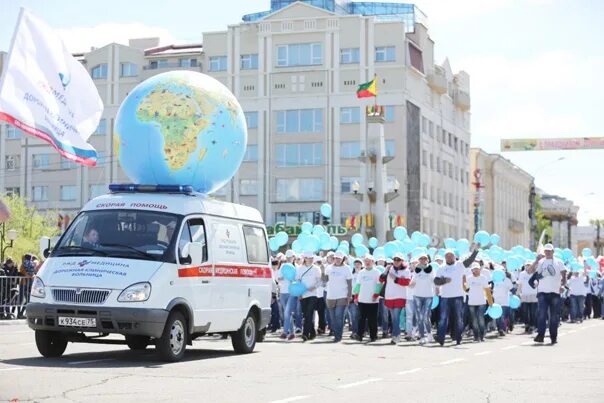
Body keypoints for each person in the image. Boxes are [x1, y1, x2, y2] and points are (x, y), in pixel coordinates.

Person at [434, 245, 479, 346]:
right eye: (447, 256)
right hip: (445, 296)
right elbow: (436, 281)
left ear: (454, 257)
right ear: (445, 257)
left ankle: (458, 338)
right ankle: (441, 338)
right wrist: (444, 280)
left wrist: (475, 251)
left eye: (451, 256)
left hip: (458, 296)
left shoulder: (459, 265)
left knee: (458, 318)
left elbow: (470, 260)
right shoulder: (441, 268)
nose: (449, 258)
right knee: (443, 318)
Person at [529, 243, 567, 344]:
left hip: (555, 293)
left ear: (553, 252)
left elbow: (564, 276)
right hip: (542, 293)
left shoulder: (559, 262)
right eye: (546, 251)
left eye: (549, 251)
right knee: (541, 315)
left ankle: (553, 337)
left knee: (554, 317)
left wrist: (563, 286)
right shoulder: (541, 262)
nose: (547, 252)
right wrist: (536, 261)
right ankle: (541, 336)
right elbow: (532, 272)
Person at [380, 252, 411, 344]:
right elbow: (381, 279)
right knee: (393, 318)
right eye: (395, 260)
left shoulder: (406, 271)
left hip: (400, 297)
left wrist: (396, 279)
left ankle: (395, 336)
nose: (396, 261)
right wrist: (386, 270)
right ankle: (396, 335)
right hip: (389, 296)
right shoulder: (390, 269)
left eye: (398, 260)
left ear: (402, 261)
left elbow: (407, 282)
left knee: (396, 317)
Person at [324, 251, 352, 342]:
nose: (337, 260)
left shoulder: (346, 268)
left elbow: (349, 283)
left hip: (342, 295)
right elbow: (325, 280)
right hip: (330, 295)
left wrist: (349, 295)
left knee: (339, 316)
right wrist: (322, 271)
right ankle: (336, 333)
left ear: (342, 259)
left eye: (339, 258)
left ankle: (338, 335)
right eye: (336, 258)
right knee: (332, 318)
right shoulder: (329, 268)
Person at [353, 255, 382, 342]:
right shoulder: (361, 272)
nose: (367, 262)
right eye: (366, 261)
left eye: (369, 261)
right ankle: (359, 335)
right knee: (361, 319)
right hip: (362, 299)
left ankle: (373, 336)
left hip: (373, 301)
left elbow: (379, 284)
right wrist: (355, 297)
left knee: (372, 319)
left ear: (373, 262)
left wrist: (376, 295)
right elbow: (358, 285)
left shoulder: (377, 272)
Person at [296, 251, 322, 342]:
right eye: (308, 258)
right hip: (303, 294)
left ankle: (305, 334)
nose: (310, 259)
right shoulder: (300, 269)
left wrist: (314, 287)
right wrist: (299, 293)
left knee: (309, 313)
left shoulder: (316, 268)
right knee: (306, 314)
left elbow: (320, 281)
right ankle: (312, 332)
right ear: (304, 258)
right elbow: (298, 281)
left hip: (313, 294)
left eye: (311, 258)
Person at [410, 253, 436, 344]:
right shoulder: (416, 270)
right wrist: (409, 284)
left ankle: (429, 334)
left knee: (425, 316)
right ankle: (422, 336)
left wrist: (437, 290)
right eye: (421, 259)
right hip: (417, 296)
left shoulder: (431, 269)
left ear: (427, 260)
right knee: (419, 317)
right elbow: (413, 282)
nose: (423, 260)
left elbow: (434, 281)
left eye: (424, 258)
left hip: (428, 296)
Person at [465, 262, 493, 342]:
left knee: (481, 319)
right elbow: (466, 290)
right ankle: (476, 336)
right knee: (474, 320)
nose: (476, 271)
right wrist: (464, 283)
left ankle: (482, 335)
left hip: (482, 301)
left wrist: (490, 302)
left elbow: (487, 290)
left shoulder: (483, 278)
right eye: (474, 269)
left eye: (477, 269)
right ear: (472, 270)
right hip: (472, 302)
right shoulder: (469, 278)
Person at [278, 250, 298, 340]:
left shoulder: (297, 267)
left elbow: (297, 280)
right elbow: (278, 278)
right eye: (288, 257)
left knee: (287, 312)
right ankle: (292, 332)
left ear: (294, 257)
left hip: (291, 292)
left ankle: (285, 332)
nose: (289, 258)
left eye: (291, 257)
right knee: (287, 313)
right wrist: (284, 276)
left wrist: (292, 278)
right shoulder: (282, 266)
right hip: (283, 292)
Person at [518, 261, 538, 333]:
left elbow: (537, 283)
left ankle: (532, 325)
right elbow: (520, 284)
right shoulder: (522, 274)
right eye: (527, 265)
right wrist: (518, 293)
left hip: (533, 294)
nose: (528, 266)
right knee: (525, 311)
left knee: (533, 312)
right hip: (524, 294)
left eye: (529, 265)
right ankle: (527, 324)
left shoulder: (535, 273)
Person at [493, 269, 514, 336]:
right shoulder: (494, 280)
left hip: (505, 301)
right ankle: (500, 329)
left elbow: (512, 289)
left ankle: (502, 329)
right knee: (497, 316)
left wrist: (511, 294)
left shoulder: (507, 280)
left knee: (502, 316)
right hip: (496, 301)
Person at [348, 257, 363, 339]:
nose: (357, 265)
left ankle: (361, 331)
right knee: (353, 315)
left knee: (361, 315)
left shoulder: (364, 274)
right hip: (353, 296)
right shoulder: (351, 274)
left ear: (361, 265)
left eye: (359, 264)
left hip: (362, 296)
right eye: (355, 264)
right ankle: (354, 332)